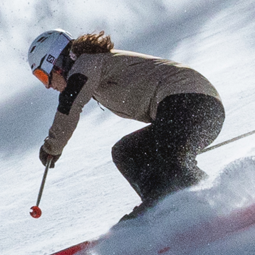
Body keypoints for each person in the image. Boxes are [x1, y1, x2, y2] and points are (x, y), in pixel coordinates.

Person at [29, 30, 225, 220]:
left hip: (194, 105)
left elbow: (70, 103)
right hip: (194, 110)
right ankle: (163, 204)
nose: (47, 86)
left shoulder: (87, 63)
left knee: (166, 156)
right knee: (127, 152)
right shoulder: (94, 65)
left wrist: (52, 147)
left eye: (42, 75)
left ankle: (210, 202)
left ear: (55, 63)